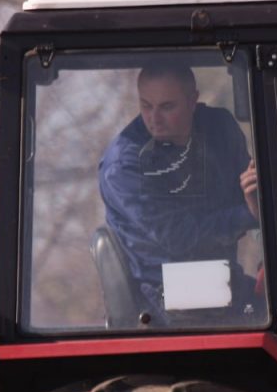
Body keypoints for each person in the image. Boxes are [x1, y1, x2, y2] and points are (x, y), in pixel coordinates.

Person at [98, 63, 260, 323]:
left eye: (167, 107)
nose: (154, 118)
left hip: (218, 283)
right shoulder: (125, 166)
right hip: (164, 302)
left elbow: (255, 192)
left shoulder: (219, 129)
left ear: (193, 100)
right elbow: (180, 237)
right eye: (146, 106)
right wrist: (249, 214)